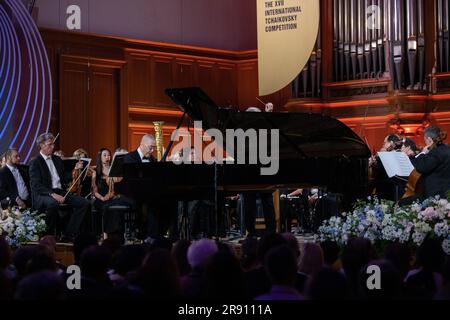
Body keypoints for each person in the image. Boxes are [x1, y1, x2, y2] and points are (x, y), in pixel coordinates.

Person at [29, 133, 91, 242]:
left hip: (60, 191)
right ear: (41, 145)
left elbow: (64, 178)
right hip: (44, 194)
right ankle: (46, 236)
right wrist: (53, 194)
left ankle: (68, 234)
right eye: (50, 144)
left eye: (53, 144)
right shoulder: (35, 162)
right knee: (52, 204)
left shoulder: (57, 159)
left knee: (84, 203)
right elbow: (36, 185)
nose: (53, 147)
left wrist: (75, 169)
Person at [124, 134, 177, 241]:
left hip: (148, 193)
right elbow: (131, 180)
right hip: (132, 194)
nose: (152, 150)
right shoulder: (129, 157)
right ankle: (148, 234)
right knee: (150, 204)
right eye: (150, 147)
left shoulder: (152, 159)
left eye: (154, 148)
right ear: (142, 145)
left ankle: (163, 234)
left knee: (170, 202)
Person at [92, 148, 134, 240]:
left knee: (116, 207)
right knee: (105, 207)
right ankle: (106, 234)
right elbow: (94, 190)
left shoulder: (114, 169)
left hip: (113, 196)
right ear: (100, 157)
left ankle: (117, 234)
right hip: (101, 197)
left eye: (109, 155)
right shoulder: (96, 171)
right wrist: (102, 198)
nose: (108, 157)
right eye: (105, 155)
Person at [410, 125, 450, 199]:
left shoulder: (435, 152)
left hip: (436, 194)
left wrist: (423, 153)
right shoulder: (447, 149)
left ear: (429, 139)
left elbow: (421, 167)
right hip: (447, 192)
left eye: (425, 140)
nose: (425, 142)